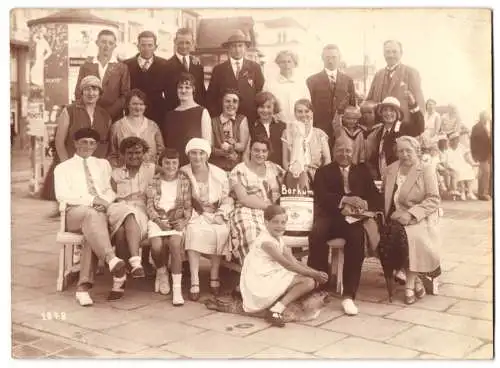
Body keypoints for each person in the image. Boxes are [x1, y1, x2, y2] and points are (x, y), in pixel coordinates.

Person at [308, 136, 383, 315]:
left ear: (354, 152)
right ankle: (320, 285)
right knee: (317, 233)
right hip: (330, 215)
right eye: (340, 150)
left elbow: (374, 197)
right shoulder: (324, 171)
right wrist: (345, 200)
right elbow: (321, 196)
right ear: (334, 152)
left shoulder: (362, 171)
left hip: (353, 219)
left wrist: (364, 204)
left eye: (348, 150)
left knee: (356, 238)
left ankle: (349, 294)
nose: (344, 154)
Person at [54, 128, 126, 306]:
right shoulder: (63, 168)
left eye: (92, 143)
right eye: (84, 142)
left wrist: (106, 201)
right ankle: (111, 259)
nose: (88, 146)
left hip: (99, 214)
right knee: (90, 215)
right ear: (75, 143)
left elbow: (109, 190)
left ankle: (83, 288)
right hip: (75, 213)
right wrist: (93, 200)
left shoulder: (102, 164)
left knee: (91, 234)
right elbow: (63, 195)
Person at [240, 204, 329, 327]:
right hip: (260, 281)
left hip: (271, 274)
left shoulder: (278, 239)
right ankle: (276, 310)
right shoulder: (266, 242)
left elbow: (294, 261)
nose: (280, 226)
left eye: (283, 222)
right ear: (266, 222)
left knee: (310, 280)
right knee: (308, 282)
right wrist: (314, 274)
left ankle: (278, 304)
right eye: (275, 222)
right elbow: (288, 265)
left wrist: (316, 272)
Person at [379, 136, 441, 305]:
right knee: (388, 236)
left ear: (417, 151)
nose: (404, 154)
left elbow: (434, 199)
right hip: (395, 216)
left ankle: (410, 284)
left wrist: (412, 214)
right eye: (400, 151)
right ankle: (415, 281)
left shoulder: (425, 169)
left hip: (419, 217)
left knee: (412, 238)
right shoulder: (391, 169)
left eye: (408, 151)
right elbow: (385, 195)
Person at [181, 138, 233, 301]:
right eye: (193, 153)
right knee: (193, 231)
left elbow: (227, 198)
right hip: (194, 214)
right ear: (188, 155)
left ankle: (214, 276)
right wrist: (198, 210)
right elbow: (180, 198)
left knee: (221, 231)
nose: (197, 157)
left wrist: (220, 214)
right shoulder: (183, 172)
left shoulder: (219, 173)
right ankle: (195, 280)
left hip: (215, 213)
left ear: (207, 155)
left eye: (201, 153)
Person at [107, 137, 156, 299]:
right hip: (118, 208)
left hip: (140, 211)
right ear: (122, 155)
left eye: (138, 152)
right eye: (129, 153)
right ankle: (136, 262)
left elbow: (173, 174)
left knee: (122, 232)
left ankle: (119, 281)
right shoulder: (115, 173)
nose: (134, 156)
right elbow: (110, 197)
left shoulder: (151, 169)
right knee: (127, 212)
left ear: (144, 153)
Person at [146, 149, 193, 306]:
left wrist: (184, 222)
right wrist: (158, 221)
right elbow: (150, 206)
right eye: (167, 162)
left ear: (179, 164)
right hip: (158, 219)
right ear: (161, 162)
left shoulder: (184, 181)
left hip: (176, 219)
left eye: (174, 163)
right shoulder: (154, 180)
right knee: (157, 246)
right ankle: (161, 271)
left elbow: (188, 206)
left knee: (174, 244)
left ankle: (177, 289)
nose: (170, 166)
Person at [229, 137, 285, 265]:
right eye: (256, 150)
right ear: (250, 150)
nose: (260, 154)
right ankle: (253, 273)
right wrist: (269, 206)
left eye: (264, 151)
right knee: (253, 234)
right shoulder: (240, 170)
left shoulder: (275, 168)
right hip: (247, 211)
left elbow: (290, 182)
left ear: (268, 152)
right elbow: (243, 198)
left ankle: (274, 274)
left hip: (273, 213)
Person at [206, 30, 265, 124]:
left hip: (250, 117)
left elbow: (259, 92)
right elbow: (212, 96)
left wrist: (258, 116)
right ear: (228, 49)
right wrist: (216, 118)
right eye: (233, 46)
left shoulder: (255, 67)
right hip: (226, 118)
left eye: (240, 46)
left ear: (245, 48)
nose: (237, 50)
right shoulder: (219, 70)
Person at [365, 93, 425, 181]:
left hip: (399, 177)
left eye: (392, 110)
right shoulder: (378, 132)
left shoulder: (403, 128)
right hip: (382, 177)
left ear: (397, 113)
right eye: (385, 110)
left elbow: (419, 127)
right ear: (381, 113)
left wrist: (413, 104)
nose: (388, 113)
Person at [75, 29, 130, 122]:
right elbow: (78, 92)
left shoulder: (122, 67)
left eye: (110, 43)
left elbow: (125, 95)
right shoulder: (86, 66)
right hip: (89, 115)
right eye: (103, 42)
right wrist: (89, 111)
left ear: (114, 46)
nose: (106, 46)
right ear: (97, 43)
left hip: (113, 117)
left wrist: (109, 112)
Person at [366, 40, 425, 124]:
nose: (390, 55)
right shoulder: (378, 74)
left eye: (394, 52)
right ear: (383, 54)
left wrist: (419, 127)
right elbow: (369, 100)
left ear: (401, 53)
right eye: (387, 52)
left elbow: (419, 103)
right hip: (381, 127)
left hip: (403, 126)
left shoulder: (411, 72)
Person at [306, 44, 356, 141]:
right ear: (322, 58)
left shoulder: (348, 80)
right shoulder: (312, 81)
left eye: (334, 57)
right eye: (327, 57)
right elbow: (309, 108)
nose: (330, 61)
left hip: (343, 131)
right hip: (320, 131)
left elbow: (352, 106)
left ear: (339, 58)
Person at [55, 76, 111, 161]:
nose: (91, 93)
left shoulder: (105, 115)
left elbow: (106, 143)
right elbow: (59, 143)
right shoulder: (69, 111)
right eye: (87, 89)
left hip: (96, 166)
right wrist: (66, 165)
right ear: (82, 92)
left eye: (95, 89)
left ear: (99, 93)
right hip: (72, 163)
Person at [161, 73, 212, 166]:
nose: (183, 90)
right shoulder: (170, 115)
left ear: (193, 89)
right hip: (173, 166)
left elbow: (207, 144)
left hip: (194, 165)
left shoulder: (202, 112)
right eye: (180, 87)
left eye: (187, 87)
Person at [123, 31, 169, 125]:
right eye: (143, 45)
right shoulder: (127, 65)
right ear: (138, 46)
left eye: (150, 45)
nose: (146, 48)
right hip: (133, 112)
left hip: (157, 113)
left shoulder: (164, 65)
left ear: (155, 47)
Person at [109, 89, 165, 167]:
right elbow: (113, 154)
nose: (138, 107)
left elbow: (161, 152)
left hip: (149, 174)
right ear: (128, 105)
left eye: (141, 104)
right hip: (125, 174)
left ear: (145, 106)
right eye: (134, 104)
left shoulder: (153, 126)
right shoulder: (117, 126)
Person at [281, 99, 331, 182]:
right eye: (300, 111)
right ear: (295, 113)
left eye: (307, 111)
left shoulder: (320, 134)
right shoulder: (287, 133)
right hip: (294, 175)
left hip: (317, 176)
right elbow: (285, 160)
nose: (303, 114)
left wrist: (322, 177)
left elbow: (327, 159)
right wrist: (291, 175)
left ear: (312, 113)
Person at [165, 28, 206, 112]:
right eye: (181, 43)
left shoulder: (197, 65)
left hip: (196, 111)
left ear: (193, 43)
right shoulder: (166, 66)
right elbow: (167, 94)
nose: (184, 46)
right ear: (175, 42)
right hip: (175, 111)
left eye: (187, 43)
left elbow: (201, 91)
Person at [263, 50, 310, 124]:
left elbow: (308, 105)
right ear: (278, 64)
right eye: (283, 62)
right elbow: (265, 105)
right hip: (277, 123)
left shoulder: (301, 83)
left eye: (289, 61)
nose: (286, 65)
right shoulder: (269, 84)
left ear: (294, 64)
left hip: (298, 123)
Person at [210, 89, 250, 172]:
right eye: (227, 101)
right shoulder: (213, 121)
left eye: (235, 102)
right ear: (222, 102)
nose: (231, 104)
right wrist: (225, 152)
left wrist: (231, 147)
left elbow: (243, 146)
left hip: (236, 167)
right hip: (217, 167)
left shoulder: (242, 119)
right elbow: (211, 147)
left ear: (238, 104)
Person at [244, 91, 286, 167]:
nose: (265, 110)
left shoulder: (283, 126)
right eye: (262, 107)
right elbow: (246, 155)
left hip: (279, 171)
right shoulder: (252, 127)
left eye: (268, 107)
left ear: (274, 108)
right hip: (258, 171)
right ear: (256, 108)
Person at [447, 131, 477, 200]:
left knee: (468, 168)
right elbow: (447, 161)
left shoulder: (461, 146)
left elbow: (467, 157)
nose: (457, 141)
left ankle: (469, 192)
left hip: (461, 163)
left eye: (457, 139)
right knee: (459, 170)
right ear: (452, 140)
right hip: (452, 164)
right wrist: (449, 166)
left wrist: (472, 163)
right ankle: (463, 192)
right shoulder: (448, 148)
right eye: (455, 139)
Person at [470, 110, 492, 201]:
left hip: (489, 153)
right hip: (482, 155)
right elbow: (473, 143)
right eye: (485, 116)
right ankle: (484, 193)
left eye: (487, 116)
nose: (486, 118)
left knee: (484, 174)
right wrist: (474, 155)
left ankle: (482, 193)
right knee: (485, 173)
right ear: (481, 117)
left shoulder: (488, 125)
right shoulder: (476, 127)